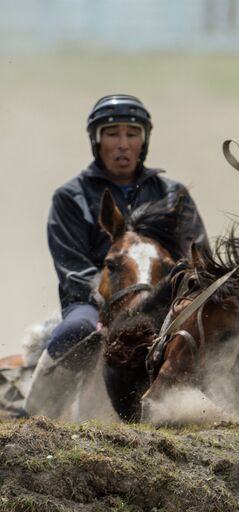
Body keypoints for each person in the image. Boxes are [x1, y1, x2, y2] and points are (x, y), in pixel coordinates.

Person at [46, 94, 207, 363]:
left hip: (165, 300)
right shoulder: (70, 197)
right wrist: (113, 304)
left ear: (143, 141)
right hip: (94, 302)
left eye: (132, 134)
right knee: (73, 334)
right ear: (97, 141)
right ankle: (36, 404)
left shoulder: (172, 194)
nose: (123, 144)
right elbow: (72, 267)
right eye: (111, 134)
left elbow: (195, 255)